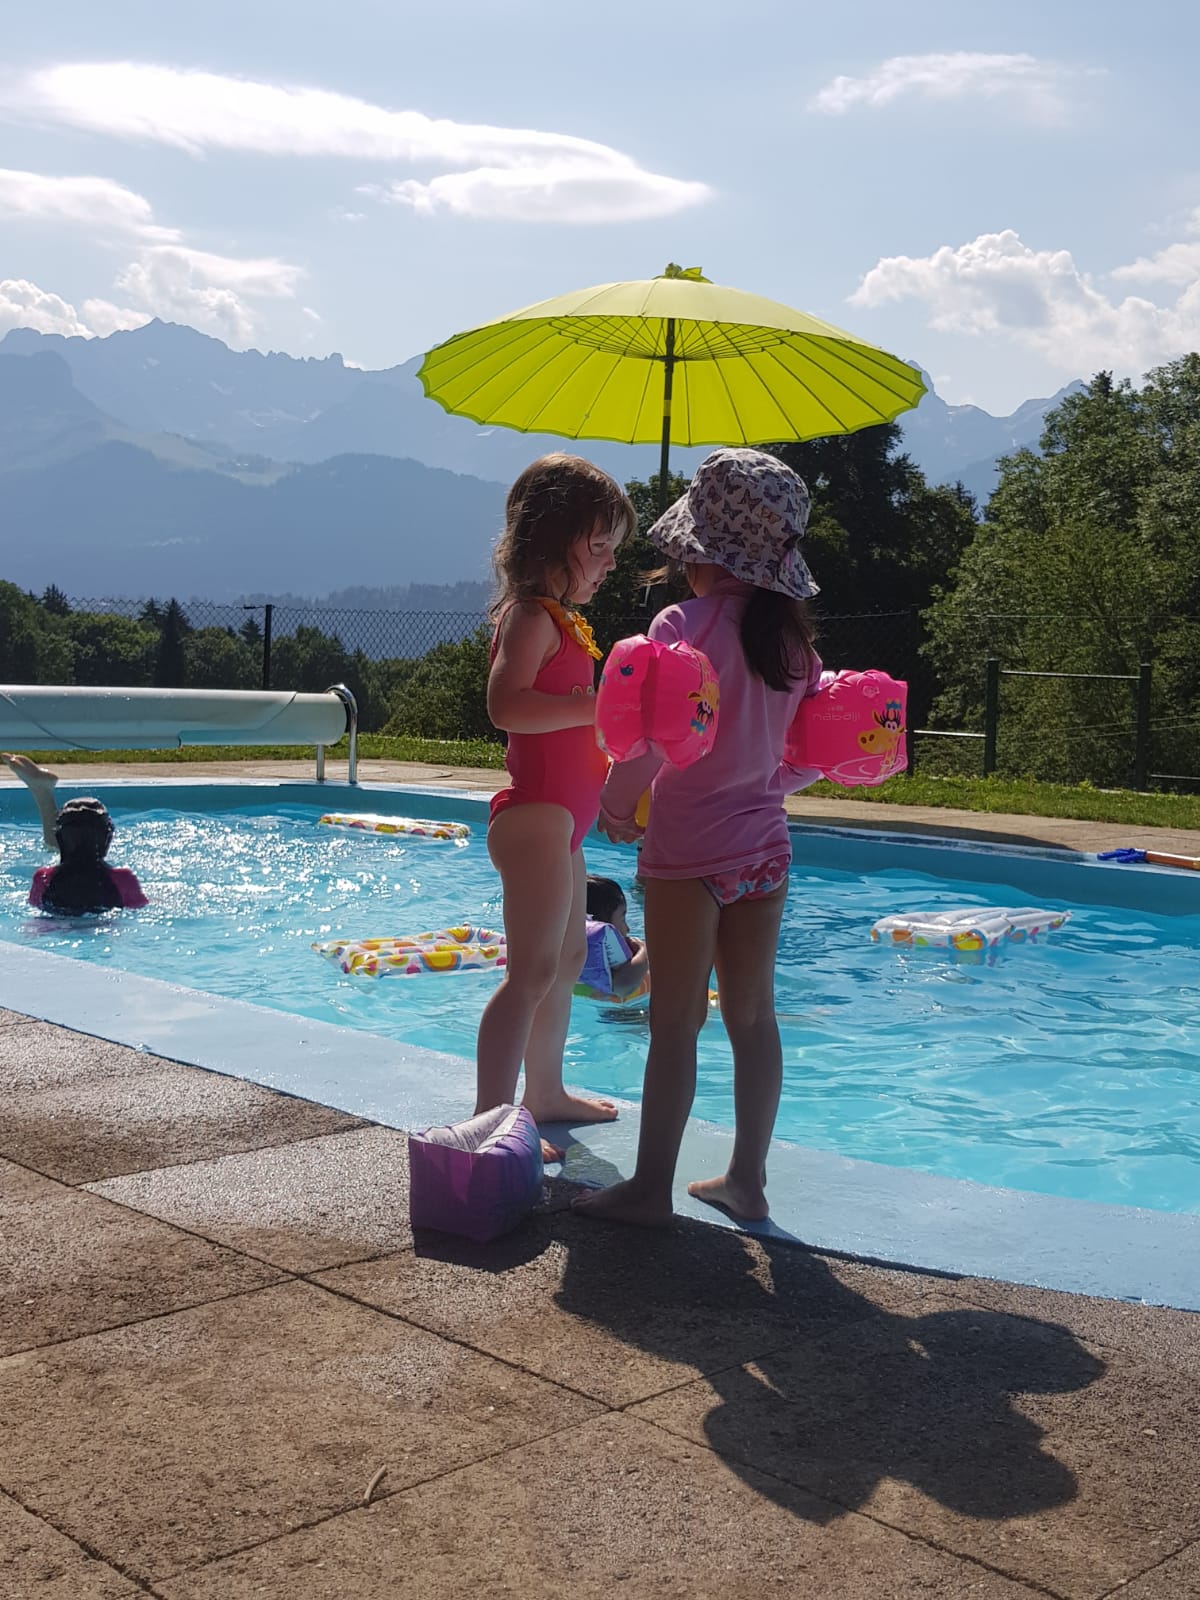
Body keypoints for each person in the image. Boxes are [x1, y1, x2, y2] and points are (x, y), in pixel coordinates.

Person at [574, 447, 824, 1227]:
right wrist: (759, 788)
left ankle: (650, 1189)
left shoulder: (681, 626)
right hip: (765, 852)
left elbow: (655, 737)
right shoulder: (796, 648)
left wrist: (619, 804)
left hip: (688, 852)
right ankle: (747, 1181)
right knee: (754, 1019)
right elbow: (804, 758)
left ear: (703, 551)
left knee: (674, 1022)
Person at [475, 454, 636, 1153]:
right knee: (532, 972)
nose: (609, 563)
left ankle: (543, 1093)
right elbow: (506, 705)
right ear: (548, 541)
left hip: (562, 825)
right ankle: (490, 1117)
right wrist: (594, 705)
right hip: (534, 817)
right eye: (597, 546)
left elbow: (573, 733)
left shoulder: (562, 622)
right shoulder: (530, 618)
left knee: (567, 963)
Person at [1, 752, 148, 913]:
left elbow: (35, 909)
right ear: (107, 837)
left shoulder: (42, 877)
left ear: (60, 837)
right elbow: (140, 906)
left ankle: (42, 792)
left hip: (53, 924)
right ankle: (42, 792)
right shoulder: (123, 878)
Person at [578, 874, 650, 1001]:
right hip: (626, 1008)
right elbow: (624, 987)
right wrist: (644, 951)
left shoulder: (568, 950)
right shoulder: (609, 956)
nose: (627, 928)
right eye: (622, 919)